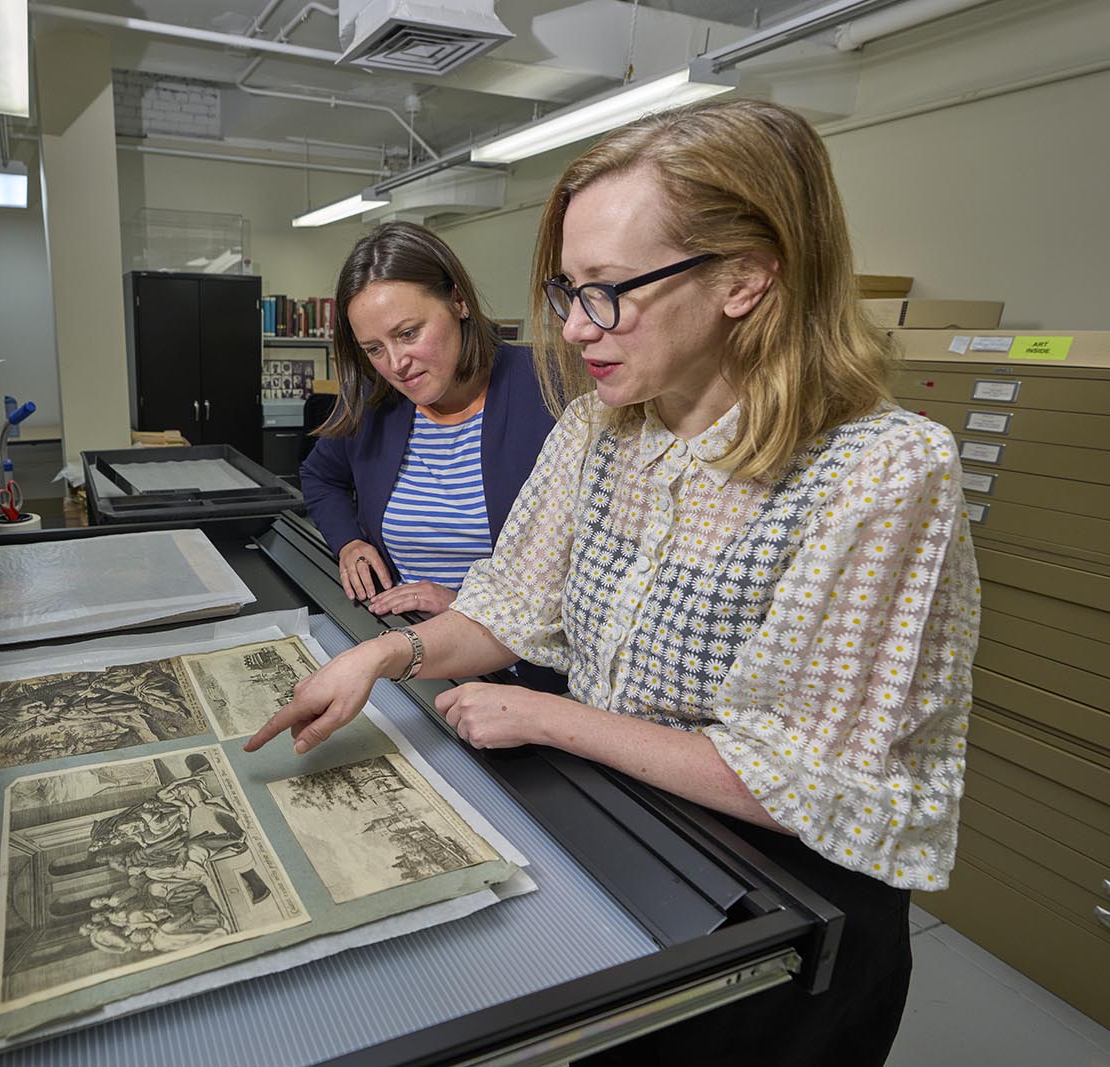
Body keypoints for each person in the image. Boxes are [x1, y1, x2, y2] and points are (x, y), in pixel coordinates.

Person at [248, 99, 980, 1067]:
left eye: (608, 290)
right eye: (566, 290)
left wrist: (548, 718)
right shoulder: (601, 432)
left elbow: (792, 777)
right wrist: (389, 653)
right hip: (635, 849)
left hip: (786, 922)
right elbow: (507, 603)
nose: (574, 326)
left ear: (747, 277)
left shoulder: (881, 473)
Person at [300, 221, 558, 623]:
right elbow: (319, 476)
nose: (396, 364)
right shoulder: (375, 403)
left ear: (458, 301)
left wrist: (466, 604)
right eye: (374, 349)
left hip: (516, 659)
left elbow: (590, 569)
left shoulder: (550, 392)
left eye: (408, 333)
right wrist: (348, 542)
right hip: (403, 637)